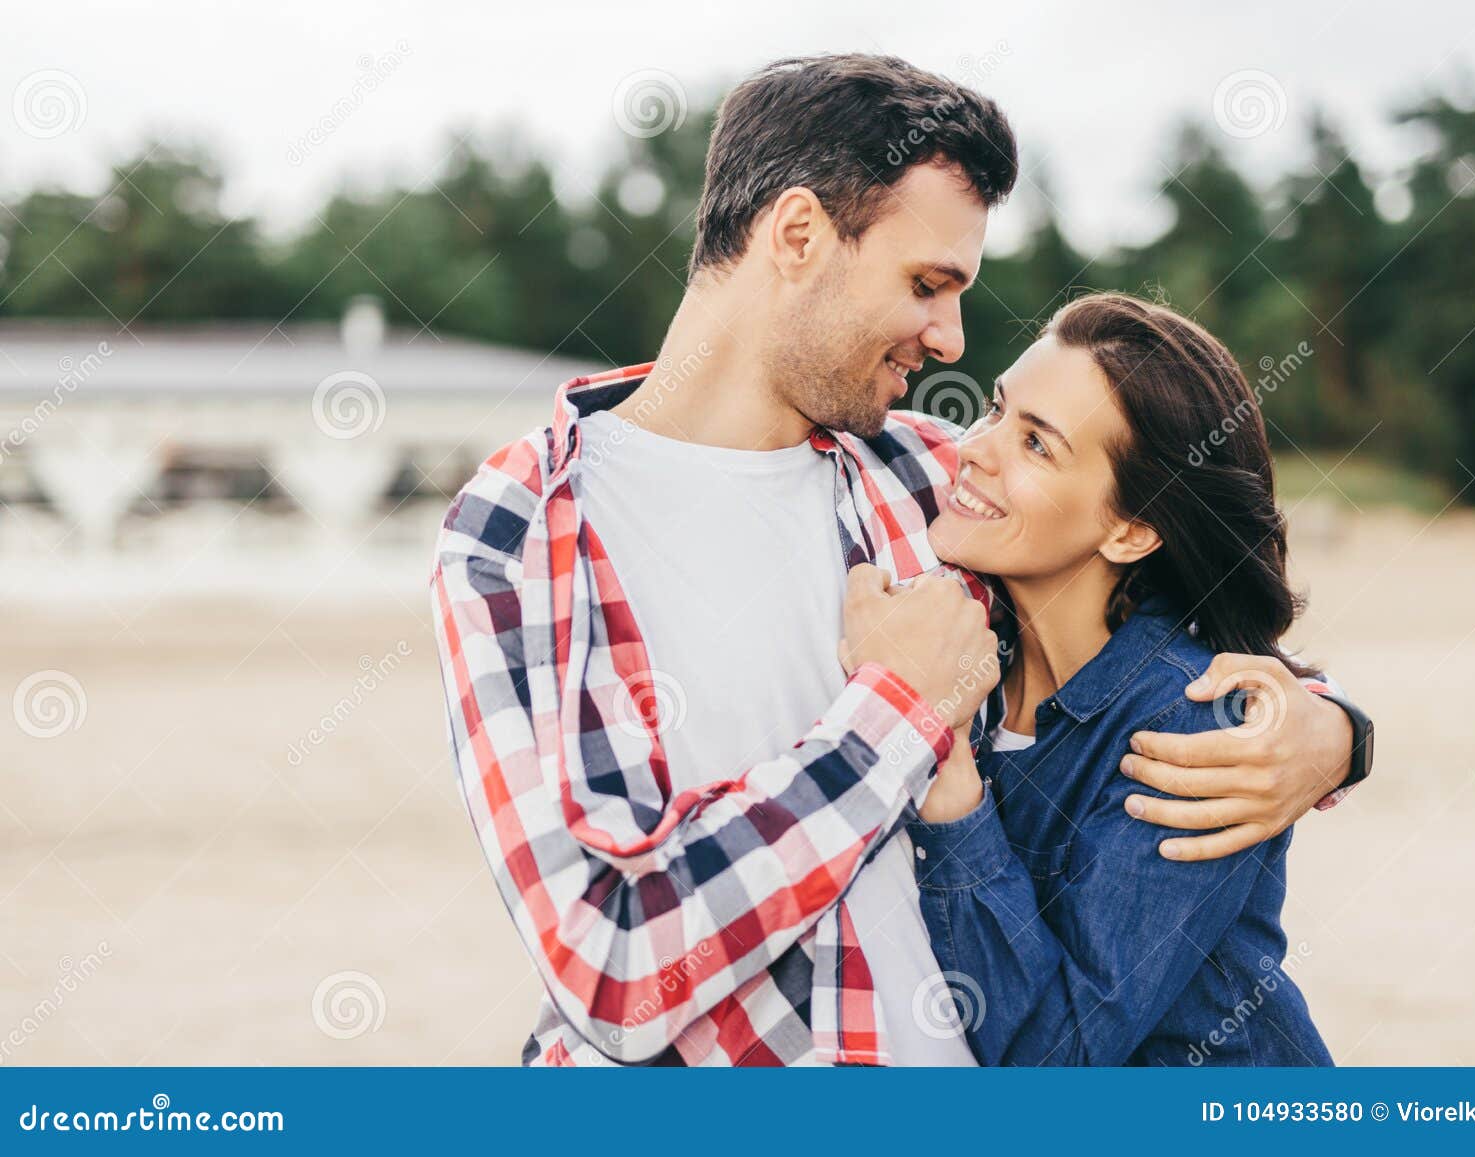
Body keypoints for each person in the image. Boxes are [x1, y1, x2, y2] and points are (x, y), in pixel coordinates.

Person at [428, 54, 1370, 1067]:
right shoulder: (519, 530)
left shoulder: (933, 480)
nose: (951, 336)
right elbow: (612, 970)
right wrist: (896, 712)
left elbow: (1160, 644)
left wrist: (1330, 732)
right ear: (797, 236)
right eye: (926, 284)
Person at [908, 292, 1342, 1065]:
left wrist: (944, 762)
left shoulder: (1188, 725)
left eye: (1037, 445)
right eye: (997, 408)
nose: (974, 447)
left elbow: (1055, 1060)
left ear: (1132, 528)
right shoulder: (973, 648)